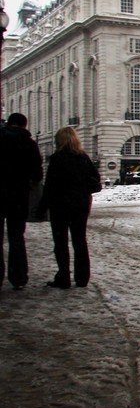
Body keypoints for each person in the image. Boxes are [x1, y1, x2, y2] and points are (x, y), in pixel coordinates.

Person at [37, 126, 101, 289]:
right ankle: (82, 277)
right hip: (80, 204)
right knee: (80, 240)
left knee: (61, 241)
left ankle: (63, 277)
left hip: (60, 205)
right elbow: (95, 182)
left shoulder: (57, 159)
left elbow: (49, 186)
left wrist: (42, 207)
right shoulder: (83, 158)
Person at [0, 113, 44, 290]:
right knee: (16, 237)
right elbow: (37, 174)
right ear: (25, 125)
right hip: (18, 196)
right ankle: (18, 277)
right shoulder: (29, 144)